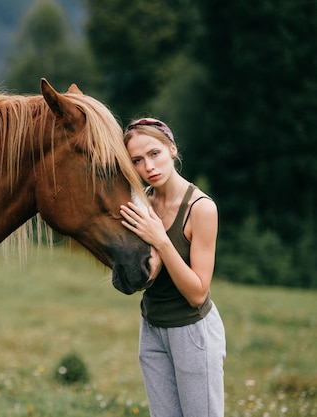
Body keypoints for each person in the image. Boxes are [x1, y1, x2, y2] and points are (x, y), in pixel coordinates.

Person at [119, 117, 226, 417]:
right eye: (137, 161)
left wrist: (161, 241)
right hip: (151, 328)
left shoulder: (202, 209)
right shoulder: (142, 205)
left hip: (192, 331)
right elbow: (147, 276)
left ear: (172, 149)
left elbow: (197, 294)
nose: (148, 167)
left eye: (155, 154)